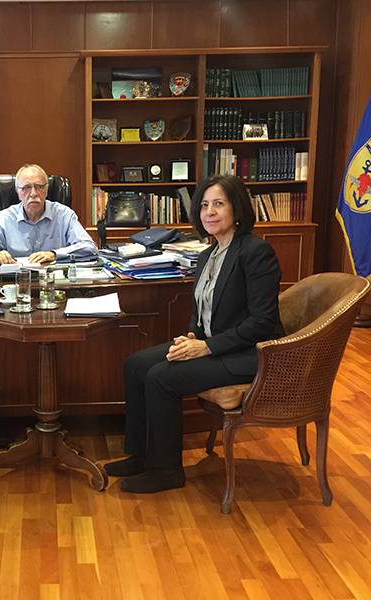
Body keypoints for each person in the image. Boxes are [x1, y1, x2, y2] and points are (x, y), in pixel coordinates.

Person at [105, 174, 284, 494]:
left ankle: (166, 471)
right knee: (136, 364)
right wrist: (192, 335)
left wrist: (207, 347)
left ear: (237, 209)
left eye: (219, 204)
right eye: (204, 205)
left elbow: (261, 322)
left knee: (161, 377)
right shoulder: (206, 256)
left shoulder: (256, 252)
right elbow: (202, 310)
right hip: (215, 345)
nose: (209, 212)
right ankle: (141, 455)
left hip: (249, 354)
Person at [0, 164, 97, 265]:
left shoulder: (64, 215)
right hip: (15, 282)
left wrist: (54, 254)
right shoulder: (2, 219)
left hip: (54, 282)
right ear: (18, 193)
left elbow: (89, 247)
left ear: (46, 190)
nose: (33, 193)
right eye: (26, 188)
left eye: (39, 186)